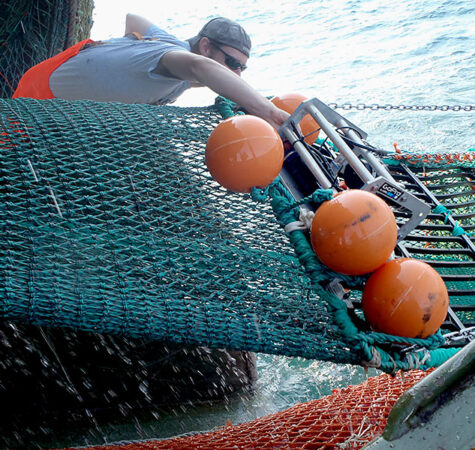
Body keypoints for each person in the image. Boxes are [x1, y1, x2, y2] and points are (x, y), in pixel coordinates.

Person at [13, 14, 289, 129]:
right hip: (31, 110)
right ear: (205, 46)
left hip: (41, 93)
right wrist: (269, 112)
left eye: (241, 68)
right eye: (231, 64)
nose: (236, 74)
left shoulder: (164, 42)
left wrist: (121, 60)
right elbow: (200, 68)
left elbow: (133, 18)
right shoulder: (169, 59)